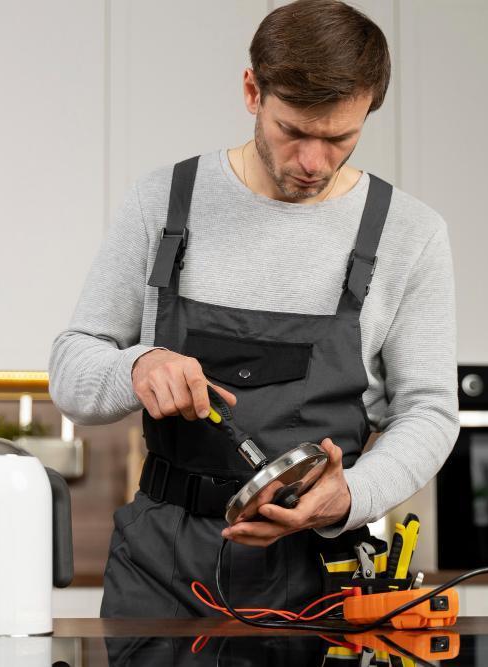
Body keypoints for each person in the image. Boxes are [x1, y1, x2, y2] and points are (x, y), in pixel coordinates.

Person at [49, 0, 459, 618]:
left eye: (339, 138)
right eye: (293, 131)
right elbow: (71, 369)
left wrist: (353, 495)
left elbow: (429, 412)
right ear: (252, 92)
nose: (313, 163)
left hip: (324, 575)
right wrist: (137, 367)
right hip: (160, 569)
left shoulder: (411, 233)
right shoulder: (163, 202)